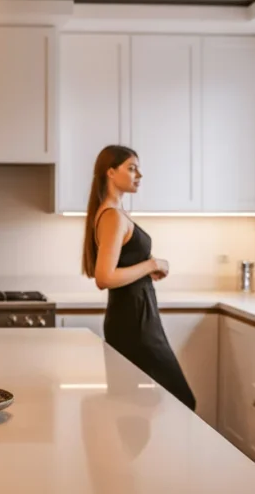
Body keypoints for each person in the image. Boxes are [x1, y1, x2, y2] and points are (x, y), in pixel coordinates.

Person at [81, 144, 196, 411]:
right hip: (134, 323)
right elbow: (104, 277)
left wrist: (144, 270)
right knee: (183, 401)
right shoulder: (112, 216)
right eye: (131, 168)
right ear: (110, 172)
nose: (139, 175)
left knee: (127, 411)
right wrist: (150, 264)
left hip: (132, 317)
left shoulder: (114, 214)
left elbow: (117, 268)